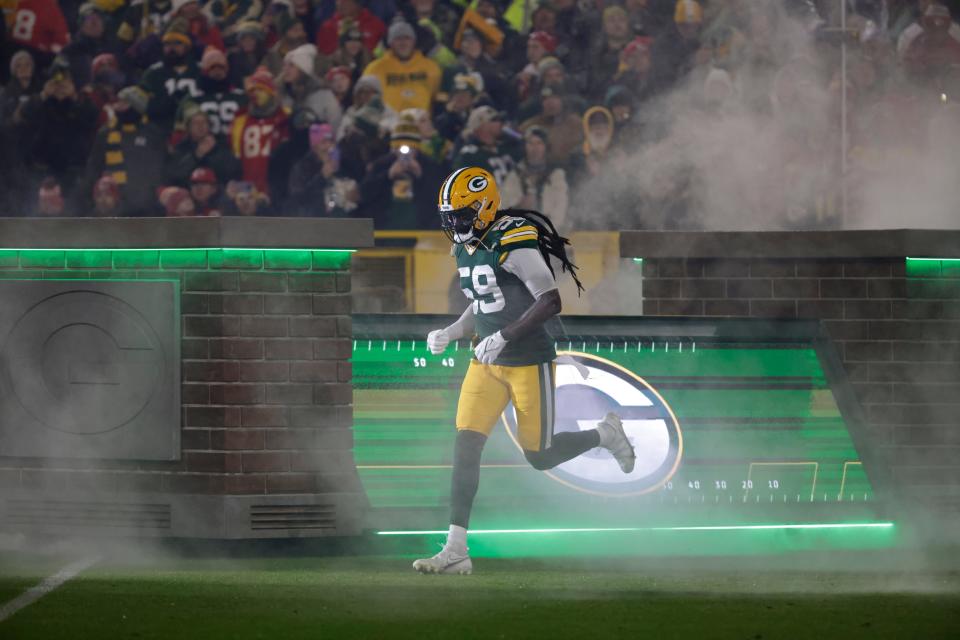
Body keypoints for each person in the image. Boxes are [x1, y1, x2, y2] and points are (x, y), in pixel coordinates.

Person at [412, 166, 635, 574]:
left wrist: (507, 336)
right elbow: (483, 302)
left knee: (540, 455)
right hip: (485, 362)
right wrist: (453, 330)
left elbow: (550, 301)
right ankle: (456, 550)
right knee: (465, 446)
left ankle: (606, 433)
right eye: (450, 218)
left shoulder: (513, 238)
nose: (455, 226)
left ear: (484, 208)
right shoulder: (465, 246)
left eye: (461, 216)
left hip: (526, 361)